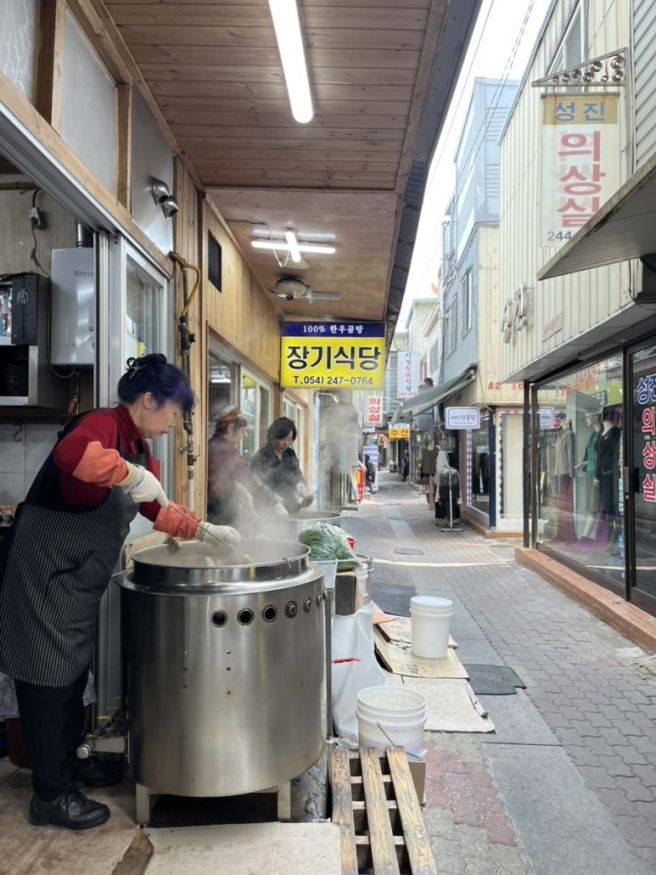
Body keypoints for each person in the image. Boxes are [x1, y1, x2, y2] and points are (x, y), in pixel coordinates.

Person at [0, 354, 239, 831]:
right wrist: (129, 475)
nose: (172, 424)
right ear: (148, 400)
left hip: (76, 581)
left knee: (70, 677)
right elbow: (73, 456)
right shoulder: (100, 424)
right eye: (172, 412)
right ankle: (48, 795)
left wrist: (207, 532)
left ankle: (67, 766)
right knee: (48, 680)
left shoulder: (135, 444)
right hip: (44, 576)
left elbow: (159, 509)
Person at [207, 406, 287, 526]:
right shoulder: (226, 451)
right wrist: (273, 502)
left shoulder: (211, 444)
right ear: (230, 428)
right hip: (219, 512)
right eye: (242, 432)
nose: (242, 436)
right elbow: (248, 478)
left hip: (211, 509)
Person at [251, 417, 313, 513]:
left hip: (292, 507)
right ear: (273, 436)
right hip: (270, 510)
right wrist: (273, 499)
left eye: (289, 440)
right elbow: (255, 485)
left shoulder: (290, 453)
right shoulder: (261, 457)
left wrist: (300, 485)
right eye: (283, 439)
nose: (286, 444)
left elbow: (297, 474)